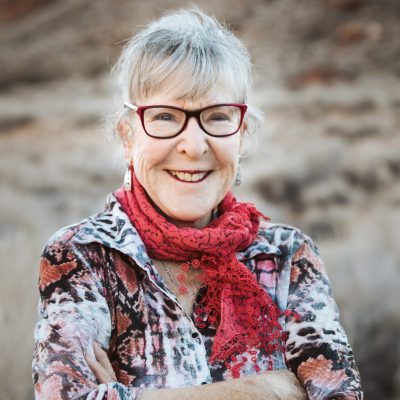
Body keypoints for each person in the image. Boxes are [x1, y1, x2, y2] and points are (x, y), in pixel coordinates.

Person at [32, 8, 363, 400]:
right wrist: (265, 390)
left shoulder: (288, 256)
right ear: (128, 135)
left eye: (218, 117)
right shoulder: (83, 255)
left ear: (242, 136)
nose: (192, 146)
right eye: (166, 117)